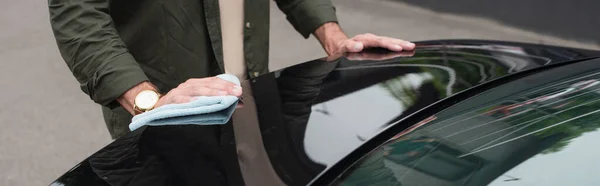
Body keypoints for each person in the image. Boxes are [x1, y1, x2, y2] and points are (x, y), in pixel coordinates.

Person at [48, 0, 416, 139]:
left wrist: (337, 39)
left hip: (253, 103)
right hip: (168, 114)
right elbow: (77, 12)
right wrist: (147, 101)